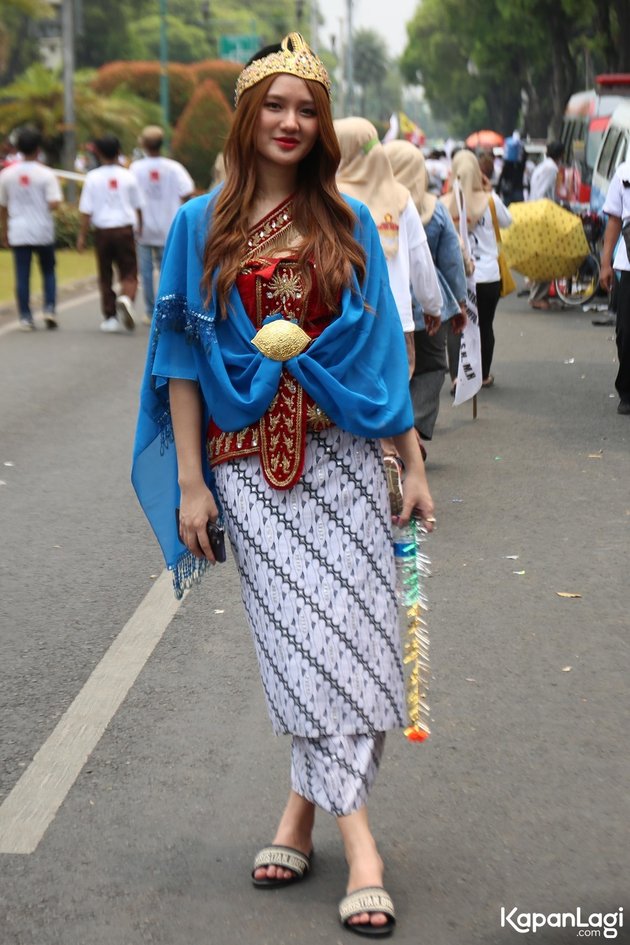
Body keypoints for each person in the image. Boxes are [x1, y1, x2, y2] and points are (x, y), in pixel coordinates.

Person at [132, 32, 435, 937]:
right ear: (246, 114)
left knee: (363, 640)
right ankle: (363, 842)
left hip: (344, 460)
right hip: (247, 475)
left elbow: (382, 357)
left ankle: (299, 816)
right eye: (277, 105)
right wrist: (191, 484)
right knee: (307, 642)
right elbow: (181, 359)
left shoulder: (344, 220)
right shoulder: (199, 224)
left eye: (308, 107)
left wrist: (412, 464)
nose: (293, 122)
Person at [334, 117, 442, 475]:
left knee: (356, 388)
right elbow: (420, 257)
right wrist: (433, 305)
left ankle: (380, 453)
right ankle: (392, 452)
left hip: (343, 320)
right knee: (393, 387)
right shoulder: (399, 198)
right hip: (397, 318)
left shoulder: (327, 197)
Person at [384, 139, 467, 443]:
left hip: (389, 304)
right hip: (432, 304)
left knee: (393, 370)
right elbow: (451, 262)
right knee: (432, 367)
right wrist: (458, 302)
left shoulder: (368, 206)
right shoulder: (436, 209)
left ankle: (394, 433)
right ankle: (415, 428)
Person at [441, 148, 512, 388]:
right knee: (485, 325)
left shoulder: (444, 204)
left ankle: (456, 378)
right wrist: (487, 189)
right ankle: (482, 375)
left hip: (457, 276)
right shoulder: (491, 200)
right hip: (488, 275)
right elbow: (508, 221)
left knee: (457, 326)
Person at [77, 134, 143, 333]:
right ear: (119, 151)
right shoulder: (129, 176)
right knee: (129, 271)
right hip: (124, 229)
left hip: (103, 231)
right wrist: (140, 226)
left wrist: (82, 235)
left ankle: (110, 316)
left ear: (98, 153)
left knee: (105, 274)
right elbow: (138, 206)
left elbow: (86, 210)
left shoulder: (92, 177)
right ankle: (126, 298)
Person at [130, 126, 194, 325]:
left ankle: (150, 312)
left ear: (143, 144)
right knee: (168, 270)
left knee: (146, 272)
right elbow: (188, 191)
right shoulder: (173, 167)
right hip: (169, 227)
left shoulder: (135, 168)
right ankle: (166, 311)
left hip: (143, 228)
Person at [0, 128, 62, 331]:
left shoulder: (7, 174)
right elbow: (54, 203)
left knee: (22, 275)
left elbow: (3, 206)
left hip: (18, 230)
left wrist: (4, 230)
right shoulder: (46, 174)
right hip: (42, 229)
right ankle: (49, 308)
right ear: (38, 149)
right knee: (48, 271)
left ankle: (26, 316)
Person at [599, 158, 630, 415]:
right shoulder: (623, 173)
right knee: (625, 333)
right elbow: (614, 221)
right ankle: (627, 391)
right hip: (627, 264)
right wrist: (605, 263)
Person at [526, 141, 564, 310]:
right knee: (546, 257)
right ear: (561, 155)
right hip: (543, 217)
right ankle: (537, 297)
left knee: (541, 256)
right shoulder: (551, 169)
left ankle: (539, 295)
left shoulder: (541, 166)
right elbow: (544, 194)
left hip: (535, 214)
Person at [497, 130, 525, 204]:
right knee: (519, 212)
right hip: (518, 189)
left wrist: (497, 190)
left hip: (508, 191)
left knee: (507, 211)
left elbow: (502, 176)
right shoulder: (520, 164)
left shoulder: (507, 163)